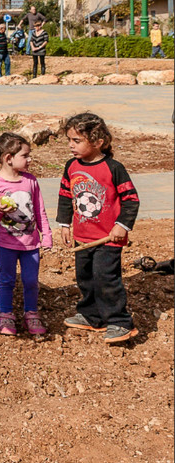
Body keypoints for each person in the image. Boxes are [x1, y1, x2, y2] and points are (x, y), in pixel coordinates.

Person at [57, 113, 140, 344]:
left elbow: (131, 199)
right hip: (83, 237)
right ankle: (92, 316)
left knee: (106, 278)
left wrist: (122, 225)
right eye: (69, 140)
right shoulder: (71, 166)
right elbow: (65, 195)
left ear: (97, 142)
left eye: (77, 141)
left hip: (107, 238)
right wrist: (65, 223)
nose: (71, 146)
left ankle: (120, 321)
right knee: (85, 277)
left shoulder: (114, 168)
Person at [0, 133, 52, 336]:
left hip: (31, 244)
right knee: (7, 280)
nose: (30, 160)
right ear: (8, 158)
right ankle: (6, 315)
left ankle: (31, 314)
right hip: (6, 243)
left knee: (31, 280)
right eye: (25, 155)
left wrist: (46, 234)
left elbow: (40, 210)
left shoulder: (31, 181)